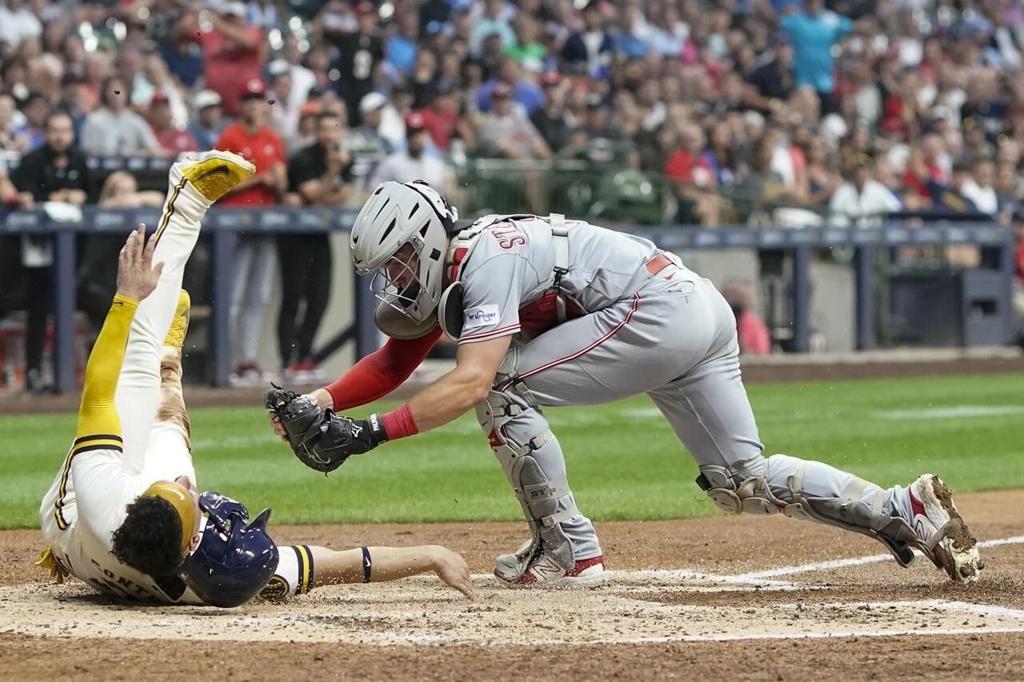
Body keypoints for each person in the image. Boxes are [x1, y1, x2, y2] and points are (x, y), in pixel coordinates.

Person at [272, 180, 984, 589]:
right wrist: (320, 402)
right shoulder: (464, 265)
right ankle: (901, 507)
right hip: (690, 309)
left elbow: (469, 381)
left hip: (657, 311)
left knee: (498, 386)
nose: (393, 281)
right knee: (741, 480)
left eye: (397, 263)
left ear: (426, 242)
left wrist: (367, 434)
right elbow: (397, 361)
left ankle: (566, 549)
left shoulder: (482, 263)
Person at [36, 153, 473, 607]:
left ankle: (185, 205)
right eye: (191, 507)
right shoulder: (219, 575)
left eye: (182, 500)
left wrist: (126, 300)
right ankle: (169, 360)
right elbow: (333, 564)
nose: (192, 490)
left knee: (139, 358)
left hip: (68, 516)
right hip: (114, 542)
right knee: (167, 420)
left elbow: (98, 395)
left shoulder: (105, 496)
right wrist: (428, 555)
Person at [11, 111, 92, 393]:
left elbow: (91, 195)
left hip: (77, 254)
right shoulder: (33, 160)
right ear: (46, 133)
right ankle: (34, 372)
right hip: (35, 254)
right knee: (38, 311)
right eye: (55, 130)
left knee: (85, 306)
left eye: (65, 130)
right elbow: (25, 195)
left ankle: (78, 372)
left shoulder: (79, 159)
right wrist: (59, 196)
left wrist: (75, 196)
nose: (60, 136)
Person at [215, 79, 288, 385]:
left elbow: (282, 188)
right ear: (241, 105)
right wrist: (260, 179)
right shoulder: (229, 137)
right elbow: (218, 184)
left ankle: (247, 360)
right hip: (233, 225)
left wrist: (278, 181)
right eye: (249, 100)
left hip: (266, 222)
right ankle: (227, 362)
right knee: (232, 296)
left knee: (258, 296)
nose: (254, 106)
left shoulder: (274, 139)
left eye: (259, 100)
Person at [279, 109, 354, 382]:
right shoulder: (304, 157)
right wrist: (332, 174)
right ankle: (287, 361)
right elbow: (311, 195)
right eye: (324, 129)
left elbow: (341, 196)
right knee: (293, 298)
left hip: (321, 234)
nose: (329, 135)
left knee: (320, 298)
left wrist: (322, 193)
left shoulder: (346, 157)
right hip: (294, 236)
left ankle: (306, 357)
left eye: (334, 129)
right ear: (316, 131)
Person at [80, 77, 163, 157]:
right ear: (105, 93)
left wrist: (136, 153)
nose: (116, 95)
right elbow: (86, 151)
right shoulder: (94, 120)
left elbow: (154, 150)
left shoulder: (136, 121)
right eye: (112, 91)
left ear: (127, 92)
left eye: (119, 91)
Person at [370, 113, 449, 190]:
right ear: (406, 136)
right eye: (412, 134)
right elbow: (374, 191)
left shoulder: (436, 165)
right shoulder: (391, 164)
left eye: (419, 133)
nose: (415, 138)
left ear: (427, 135)